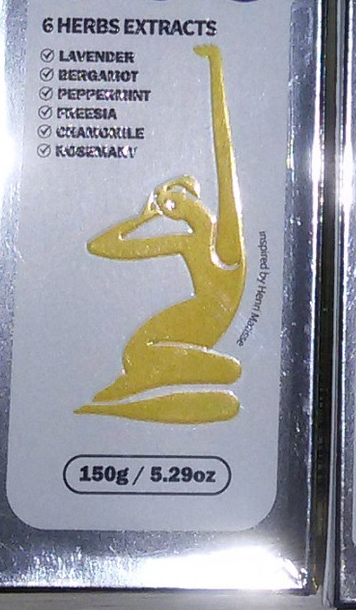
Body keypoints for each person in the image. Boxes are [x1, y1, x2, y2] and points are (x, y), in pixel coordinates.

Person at [76, 45, 246, 423]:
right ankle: (133, 394)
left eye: (179, 197)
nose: (175, 205)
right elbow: (103, 246)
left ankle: (133, 394)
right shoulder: (185, 243)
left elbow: (224, 151)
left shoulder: (227, 242)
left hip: (201, 327)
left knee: (228, 371)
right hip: (178, 334)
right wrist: (141, 218)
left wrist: (216, 65)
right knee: (138, 356)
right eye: (169, 204)